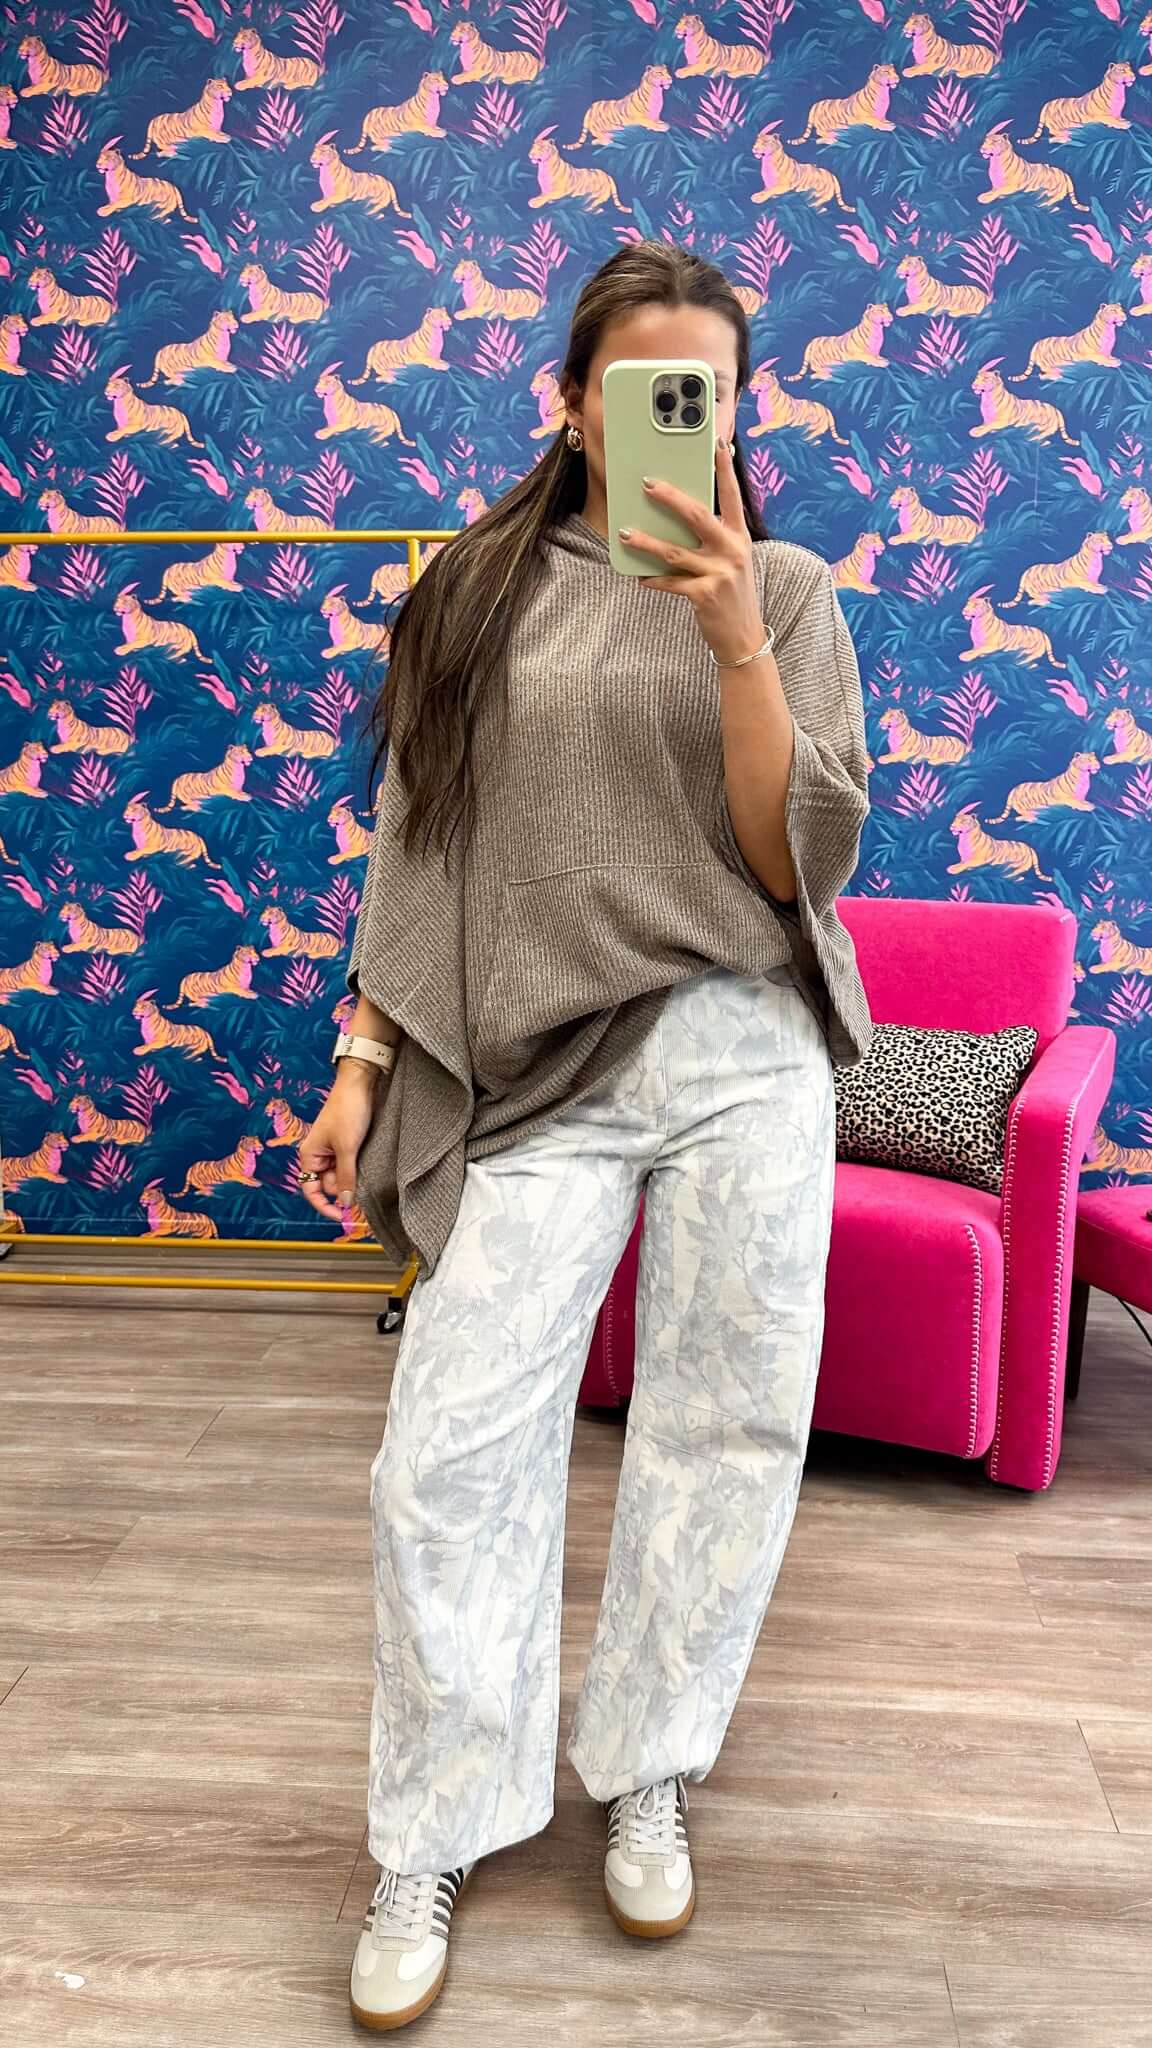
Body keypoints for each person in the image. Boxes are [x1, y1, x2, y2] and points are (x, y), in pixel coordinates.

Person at [297, 239, 873, 2032]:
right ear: (573, 403)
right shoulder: (473, 596)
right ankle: (435, 1824)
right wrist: (365, 1056)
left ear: (739, 409)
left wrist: (730, 639)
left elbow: (792, 864)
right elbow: (423, 841)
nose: (683, 422)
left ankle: (651, 1764)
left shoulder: (789, 594)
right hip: (544, 1066)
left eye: (713, 393)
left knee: (727, 1423)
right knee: (446, 1455)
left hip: (744, 1047)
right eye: (645, 390)